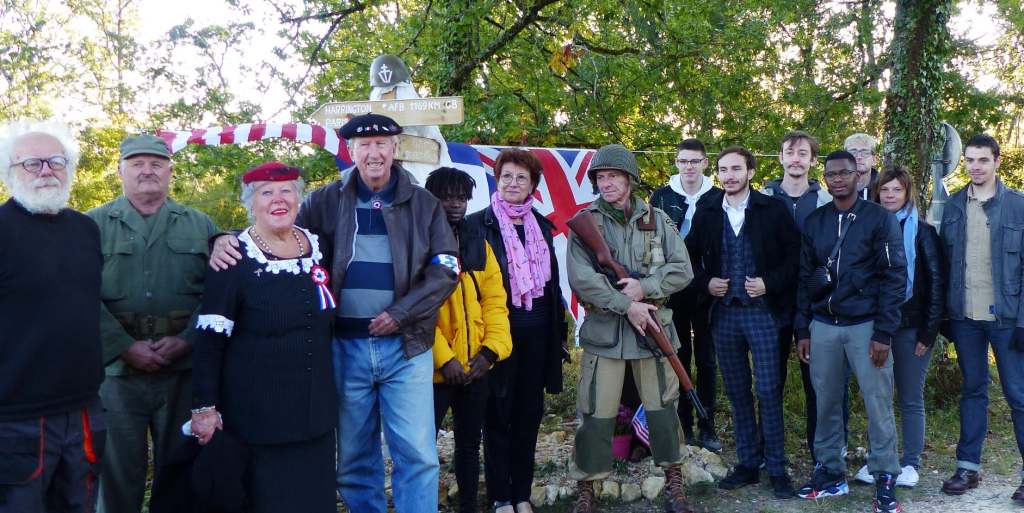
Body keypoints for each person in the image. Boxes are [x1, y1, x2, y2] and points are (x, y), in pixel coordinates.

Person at [210, 113, 459, 513]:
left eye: (382, 144)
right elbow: (280, 238)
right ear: (351, 150)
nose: (374, 152)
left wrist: (402, 312)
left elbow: (447, 266)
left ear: (395, 148)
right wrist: (223, 239)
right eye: (365, 145)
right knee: (356, 458)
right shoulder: (325, 200)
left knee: (418, 454)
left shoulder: (424, 204)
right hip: (343, 347)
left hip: (406, 347)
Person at [190, 162, 337, 512]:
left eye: (287, 190)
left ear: (299, 198)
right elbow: (210, 340)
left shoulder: (320, 247)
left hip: (315, 412)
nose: (278, 199)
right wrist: (204, 408)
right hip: (258, 418)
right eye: (266, 193)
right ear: (250, 203)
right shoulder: (233, 257)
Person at [88, 134, 219, 513]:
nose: (147, 171)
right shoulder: (90, 225)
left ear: (169, 172)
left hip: (182, 373)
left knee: (180, 472)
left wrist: (189, 338)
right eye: (137, 163)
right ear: (120, 171)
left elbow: (219, 293)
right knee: (115, 477)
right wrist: (123, 346)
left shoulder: (200, 224)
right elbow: (76, 294)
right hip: (116, 374)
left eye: (156, 163)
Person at [566, 144, 696, 513]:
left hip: (653, 332)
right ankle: (588, 488)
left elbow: (682, 270)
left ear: (630, 180)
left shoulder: (658, 220)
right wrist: (627, 304)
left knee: (663, 410)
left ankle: (674, 480)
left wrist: (645, 288)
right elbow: (582, 279)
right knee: (595, 414)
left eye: (613, 176)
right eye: (601, 177)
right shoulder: (586, 223)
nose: (606, 183)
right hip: (606, 333)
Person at [0, 121, 106, 513]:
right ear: (11, 173)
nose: (46, 170)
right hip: (15, 416)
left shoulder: (86, 229)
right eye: (33, 164)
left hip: (83, 408)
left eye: (56, 161)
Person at [794, 150, 907, 513]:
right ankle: (830, 471)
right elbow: (803, 280)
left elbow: (894, 276)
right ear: (824, 178)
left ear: (859, 177)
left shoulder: (878, 219)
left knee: (877, 404)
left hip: (866, 326)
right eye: (831, 174)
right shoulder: (814, 222)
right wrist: (802, 330)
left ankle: (885, 475)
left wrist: (884, 332)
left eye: (845, 173)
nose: (838, 179)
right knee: (825, 402)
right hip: (824, 325)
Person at [686, 146, 799, 498]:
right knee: (736, 393)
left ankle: (777, 468)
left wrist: (770, 282)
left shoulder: (772, 209)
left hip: (764, 314)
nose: (729, 175)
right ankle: (748, 463)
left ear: (750, 171)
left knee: (768, 391)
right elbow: (685, 257)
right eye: (723, 169)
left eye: (736, 169)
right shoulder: (706, 211)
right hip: (724, 316)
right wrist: (706, 282)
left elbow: (795, 258)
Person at [464, 148, 567, 513]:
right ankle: (500, 497)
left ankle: (522, 494)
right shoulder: (478, 225)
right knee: (497, 417)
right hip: (497, 338)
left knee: (528, 416)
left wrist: (561, 336)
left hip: (539, 336)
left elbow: (552, 288)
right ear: (497, 179)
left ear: (533, 186)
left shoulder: (542, 226)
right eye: (506, 176)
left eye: (521, 178)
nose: (513, 183)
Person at [938, 134, 1024, 503]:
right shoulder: (954, 206)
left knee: (1018, 394)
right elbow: (943, 264)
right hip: (965, 318)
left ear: (996, 162)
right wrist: (944, 317)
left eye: (982, 160)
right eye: (970, 160)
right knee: (972, 391)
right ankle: (967, 468)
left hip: (1007, 318)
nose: (975, 166)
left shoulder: (1018, 206)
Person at [849, 166, 944, 489]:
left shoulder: (923, 232)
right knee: (877, 396)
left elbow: (935, 286)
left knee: (909, 397)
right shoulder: (866, 228)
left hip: (911, 328)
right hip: (873, 325)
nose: (889, 196)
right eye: (884, 190)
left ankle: (911, 462)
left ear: (907, 194)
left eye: (896, 190)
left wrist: (928, 333)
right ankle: (880, 459)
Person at [425, 167, 512, 513]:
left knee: (468, 446)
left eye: (461, 197)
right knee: (422, 448)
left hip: (476, 368)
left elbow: (495, 302)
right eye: (447, 197)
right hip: (435, 372)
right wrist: (444, 359)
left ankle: (468, 507)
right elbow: (417, 310)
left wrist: (490, 353)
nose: (456, 204)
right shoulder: (419, 243)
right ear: (432, 199)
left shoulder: (478, 243)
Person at [761, 131, 847, 463]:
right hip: (769, 308)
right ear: (780, 158)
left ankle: (821, 457)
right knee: (770, 387)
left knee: (819, 387)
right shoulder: (762, 200)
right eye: (789, 152)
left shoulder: (828, 203)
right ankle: (771, 457)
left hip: (815, 308)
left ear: (813, 161)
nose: (795, 159)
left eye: (803, 154)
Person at [649, 137, 723, 452]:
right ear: (676, 163)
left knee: (707, 360)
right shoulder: (661, 197)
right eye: (683, 161)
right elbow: (651, 243)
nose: (689, 167)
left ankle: (708, 426)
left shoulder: (719, 197)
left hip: (709, 292)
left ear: (705, 162)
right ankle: (683, 424)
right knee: (677, 357)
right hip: (673, 291)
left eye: (695, 161)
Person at [844, 133, 879, 201]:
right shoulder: (836, 187)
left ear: (874, 160)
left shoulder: (884, 187)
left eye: (865, 152)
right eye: (853, 152)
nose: (859, 157)